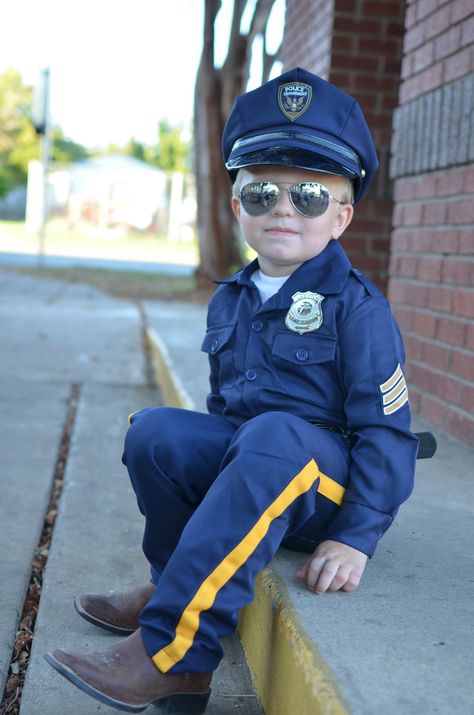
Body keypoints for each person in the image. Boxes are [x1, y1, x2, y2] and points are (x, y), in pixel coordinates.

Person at [45, 67, 419, 713]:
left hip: (323, 488)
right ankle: (171, 585)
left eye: (308, 195)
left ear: (343, 216)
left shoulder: (359, 308)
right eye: (261, 191)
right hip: (258, 470)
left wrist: (357, 536)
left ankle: (172, 652)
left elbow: (389, 433)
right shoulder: (233, 297)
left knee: (273, 436)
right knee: (156, 431)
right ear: (235, 202)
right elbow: (227, 413)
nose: (282, 207)